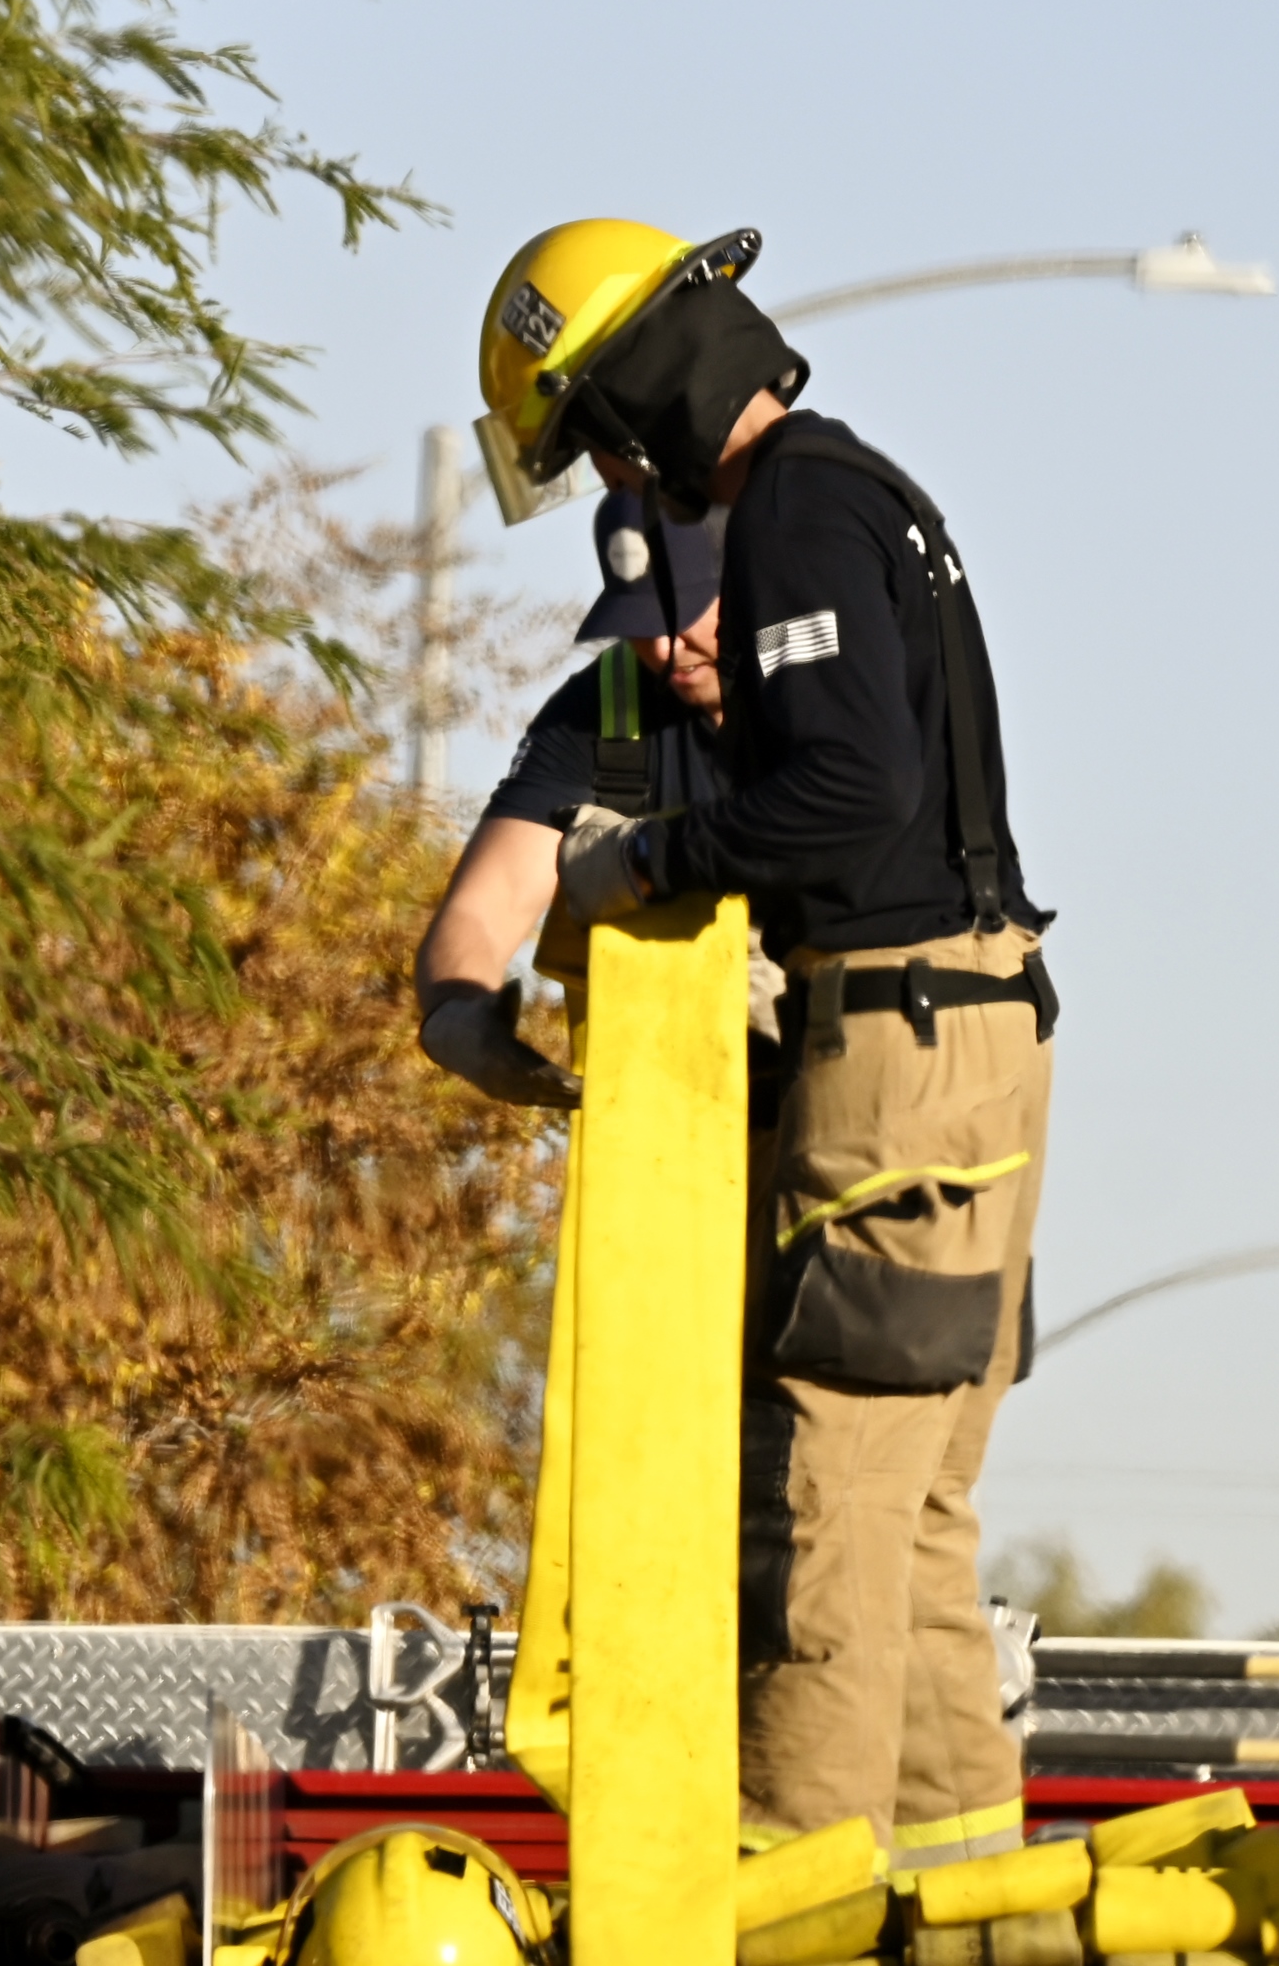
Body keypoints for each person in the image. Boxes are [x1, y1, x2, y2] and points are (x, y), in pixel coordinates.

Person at [466, 215, 1057, 1871]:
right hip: (981, 1033)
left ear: (641, 388)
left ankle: (790, 1880)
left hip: (901, 1043)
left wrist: (650, 862)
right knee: (916, 1528)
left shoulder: (797, 506)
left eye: (598, 437)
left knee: (825, 1501)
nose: (614, 476)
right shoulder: (863, 492)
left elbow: (852, 789)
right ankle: (978, 1912)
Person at [411, 485, 731, 1108]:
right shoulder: (599, 712)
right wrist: (457, 1013)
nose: (662, 648)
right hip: (662, 1110)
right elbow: (485, 909)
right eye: (640, 622)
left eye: (685, 610)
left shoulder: (846, 691)